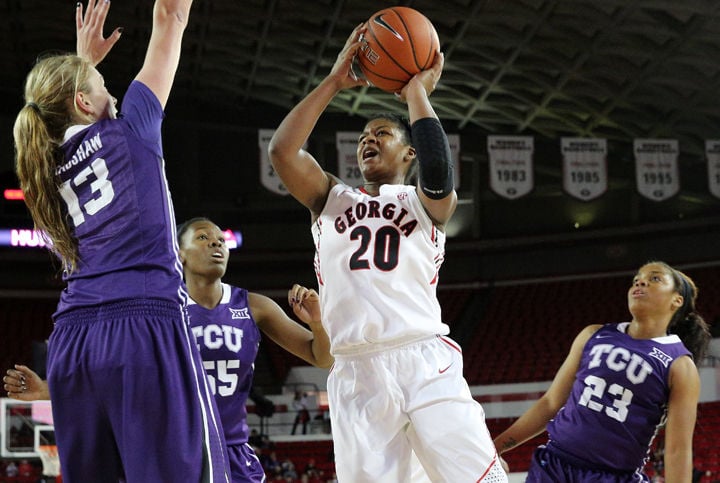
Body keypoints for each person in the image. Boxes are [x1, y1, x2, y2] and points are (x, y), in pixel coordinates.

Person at [267, 23, 507, 482]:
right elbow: (282, 151)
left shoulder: (425, 203)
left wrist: (416, 91)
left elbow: (439, 170)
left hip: (422, 357)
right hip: (356, 370)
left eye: (381, 134)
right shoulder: (331, 198)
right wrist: (336, 80)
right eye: (362, 138)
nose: (367, 141)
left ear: (408, 154)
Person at [11, 1, 230, 480]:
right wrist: (83, 67)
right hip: (143, 326)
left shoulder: (42, 169)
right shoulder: (131, 126)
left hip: (72, 342)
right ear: (86, 103)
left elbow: (62, 109)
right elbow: (172, 15)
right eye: (103, 88)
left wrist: (81, 67)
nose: (114, 94)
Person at [5, 217, 333, 483]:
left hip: (232, 450)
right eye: (204, 237)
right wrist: (48, 390)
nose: (217, 243)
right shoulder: (155, 308)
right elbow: (117, 378)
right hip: (172, 449)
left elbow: (322, 357)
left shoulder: (253, 306)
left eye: (220, 239)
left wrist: (317, 322)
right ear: (179, 254)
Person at [494, 261, 712, 482]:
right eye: (637, 279)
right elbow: (550, 403)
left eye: (655, 278)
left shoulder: (680, 365)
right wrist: (495, 449)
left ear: (677, 300)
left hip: (612, 476)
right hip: (553, 466)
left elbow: (678, 450)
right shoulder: (593, 334)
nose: (641, 281)